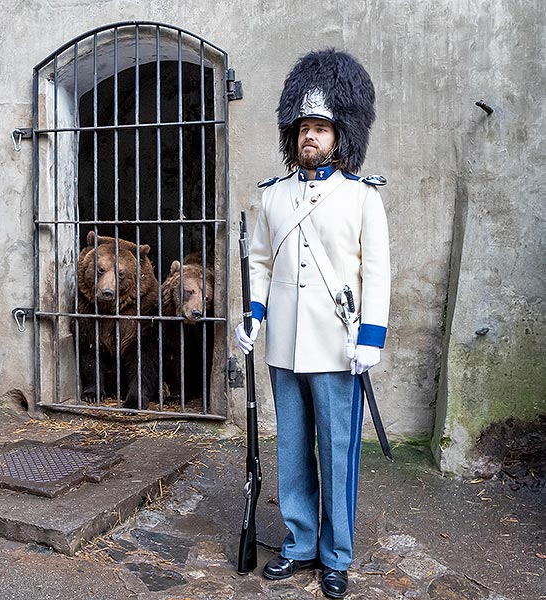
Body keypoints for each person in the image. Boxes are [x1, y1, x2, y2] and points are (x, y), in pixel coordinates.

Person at [235, 49, 390, 599]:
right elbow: (259, 260)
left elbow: (377, 269)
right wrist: (253, 315)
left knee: (338, 454)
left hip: (337, 347)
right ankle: (300, 543)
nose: (310, 137)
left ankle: (336, 554)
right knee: (292, 452)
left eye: (321, 128)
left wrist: (370, 337)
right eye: (304, 127)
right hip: (286, 348)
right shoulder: (273, 196)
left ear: (339, 134)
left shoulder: (362, 197)